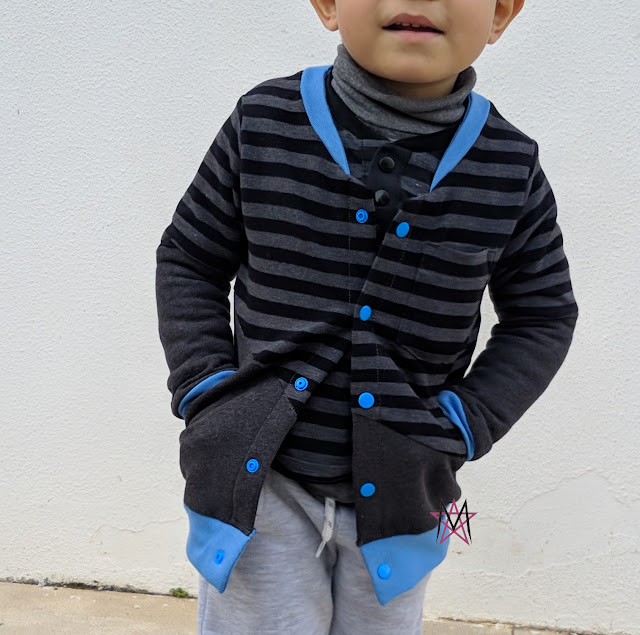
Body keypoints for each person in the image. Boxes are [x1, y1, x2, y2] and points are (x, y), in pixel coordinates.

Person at [155, 0, 579, 632]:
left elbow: (543, 314)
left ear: (500, 14)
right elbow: (189, 258)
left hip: (409, 495)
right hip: (259, 488)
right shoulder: (263, 122)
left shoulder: (510, 166)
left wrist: (466, 424)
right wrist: (206, 387)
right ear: (328, 4)